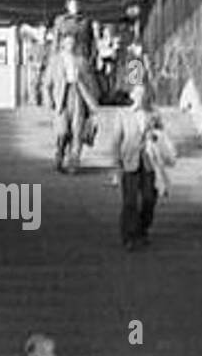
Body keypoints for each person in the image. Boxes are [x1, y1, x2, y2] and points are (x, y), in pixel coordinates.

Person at [111, 82, 168, 250]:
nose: (141, 98)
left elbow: (162, 136)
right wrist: (116, 166)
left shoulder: (154, 114)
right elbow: (116, 141)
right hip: (130, 163)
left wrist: (154, 135)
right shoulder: (123, 115)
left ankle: (143, 228)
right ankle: (128, 236)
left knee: (149, 199)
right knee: (130, 202)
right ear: (132, 96)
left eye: (144, 95)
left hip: (149, 163)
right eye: (137, 94)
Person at [47, 32, 99, 173]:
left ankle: (73, 163)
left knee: (77, 131)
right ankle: (60, 154)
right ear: (62, 44)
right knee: (63, 131)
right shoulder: (55, 61)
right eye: (68, 42)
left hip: (78, 96)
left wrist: (92, 104)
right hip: (61, 99)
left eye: (73, 43)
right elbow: (47, 83)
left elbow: (91, 83)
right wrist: (50, 102)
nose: (70, 45)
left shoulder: (81, 61)